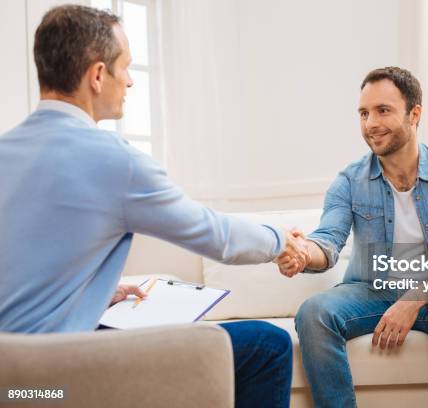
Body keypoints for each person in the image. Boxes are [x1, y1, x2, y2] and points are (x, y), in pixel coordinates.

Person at [0, 5, 308, 408]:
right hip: (59, 381)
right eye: (124, 67)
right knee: (268, 344)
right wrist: (280, 240)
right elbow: (216, 236)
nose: (129, 81)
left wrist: (96, 294)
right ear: (96, 76)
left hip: (12, 385)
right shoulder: (114, 160)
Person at [276, 67, 428, 407]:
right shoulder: (349, 180)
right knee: (314, 312)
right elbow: (328, 241)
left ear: (414, 114)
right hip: (372, 290)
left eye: (383, 110)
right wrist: (303, 252)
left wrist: (410, 302)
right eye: (363, 113)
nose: (370, 124)